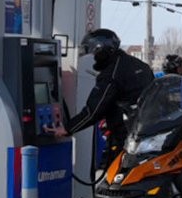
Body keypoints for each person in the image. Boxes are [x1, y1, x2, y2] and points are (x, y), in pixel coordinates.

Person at [64, 28, 155, 168]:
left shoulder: (111, 74)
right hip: (147, 134)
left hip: (125, 136)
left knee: (116, 180)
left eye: (91, 51)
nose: (90, 56)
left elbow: (94, 110)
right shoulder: (139, 65)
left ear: (100, 49)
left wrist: (67, 128)